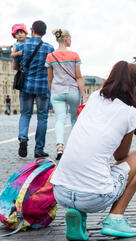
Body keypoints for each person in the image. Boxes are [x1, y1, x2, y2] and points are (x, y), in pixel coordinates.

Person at [51, 37, 136, 241]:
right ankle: (115, 218)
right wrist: (132, 119)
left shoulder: (96, 97)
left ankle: (77, 214)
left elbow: (121, 77)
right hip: (94, 197)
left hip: (60, 190)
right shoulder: (129, 114)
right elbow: (121, 155)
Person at [12, 20, 55, 159]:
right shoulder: (49, 48)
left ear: (31, 30)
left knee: (25, 114)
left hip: (26, 86)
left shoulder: (22, 46)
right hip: (43, 87)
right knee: (42, 117)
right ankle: (39, 149)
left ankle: (23, 138)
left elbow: (15, 67)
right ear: (44, 32)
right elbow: (52, 68)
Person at [45, 28, 86, 160]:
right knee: (74, 119)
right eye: (70, 38)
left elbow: (50, 79)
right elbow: (79, 77)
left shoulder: (50, 56)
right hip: (73, 90)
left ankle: (60, 147)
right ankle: (74, 148)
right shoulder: (74, 55)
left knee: (60, 120)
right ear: (66, 38)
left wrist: (52, 91)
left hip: (57, 91)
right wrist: (84, 95)